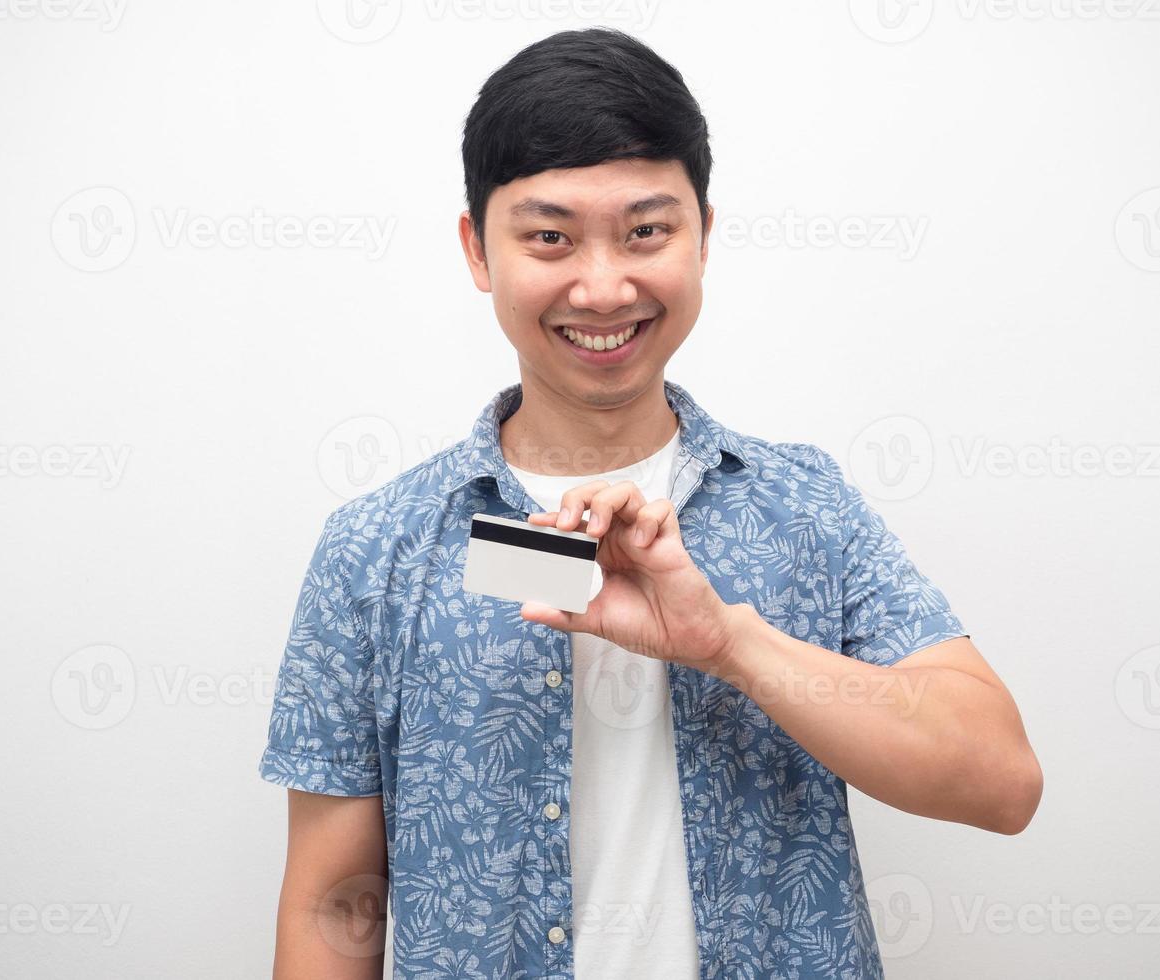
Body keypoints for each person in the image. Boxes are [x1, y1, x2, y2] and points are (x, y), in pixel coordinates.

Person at [259, 26, 1042, 980]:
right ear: (477, 249)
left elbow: (1000, 783)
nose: (601, 285)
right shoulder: (377, 546)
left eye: (645, 232)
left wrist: (729, 643)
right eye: (549, 236)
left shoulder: (804, 506)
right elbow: (334, 902)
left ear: (702, 235)